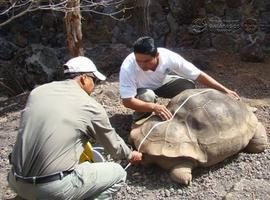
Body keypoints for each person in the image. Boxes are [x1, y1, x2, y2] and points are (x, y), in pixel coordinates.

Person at [7, 56, 142, 200]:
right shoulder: (89, 105)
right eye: (94, 81)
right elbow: (113, 146)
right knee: (118, 174)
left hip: (15, 180)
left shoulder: (38, 92)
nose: (94, 86)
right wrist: (130, 155)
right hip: (50, 188)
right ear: (84, 78)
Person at [119, 36, 240, 122]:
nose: (142, 65)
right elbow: (127, 101)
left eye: (146, 61)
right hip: (141, 90)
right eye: (138, 61)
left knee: (187, 86)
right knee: (147, 97)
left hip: (160, 84)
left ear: (157, 55)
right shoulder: (128, 66)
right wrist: (154, 107)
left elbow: (197, 74)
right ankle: (140, 120)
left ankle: (181, 116)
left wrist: (224, 90)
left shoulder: (169, 57)